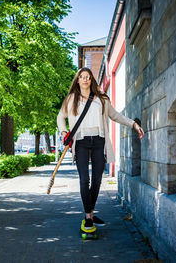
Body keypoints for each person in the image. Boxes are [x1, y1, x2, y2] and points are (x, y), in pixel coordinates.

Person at [57, 67, 144, 230]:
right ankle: (89, 216)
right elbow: (60, 117)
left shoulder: (102, 99)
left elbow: (116, 115)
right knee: (84, 179)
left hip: (99, 141)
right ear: (77, 80)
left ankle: (89, 213)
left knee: (97, 179)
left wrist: (133, 124)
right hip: (81, 141)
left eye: (88, 77)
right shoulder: (71, 99)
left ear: (91, 80)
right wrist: (63, 132)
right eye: (82, 77)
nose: (85, 80)